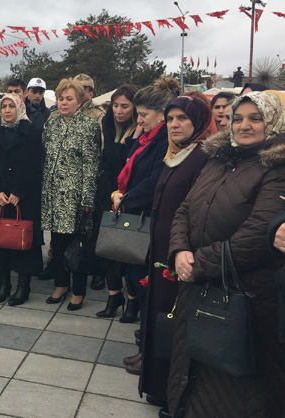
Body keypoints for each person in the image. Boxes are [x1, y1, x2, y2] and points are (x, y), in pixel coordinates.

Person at [167, 91, 285, 418]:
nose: (244, 126)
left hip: (243, 294)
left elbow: (258, 234)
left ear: (272, 122)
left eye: (255, 118)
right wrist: (179, 251)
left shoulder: (276, 167)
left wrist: (197, 264)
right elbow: (184, 209)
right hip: (197, 284)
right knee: (190, 369)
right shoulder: (217, 158)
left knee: (232, 389)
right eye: (238, 118)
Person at [138, 96, 215, 414]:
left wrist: (180, 249)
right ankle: (157, 387)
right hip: (161, 253)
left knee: (174, 323)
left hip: (179, 254)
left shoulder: (202, 156)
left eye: (182, 118)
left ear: (197, 121)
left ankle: (173, 394)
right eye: (170, 119)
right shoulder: (178, 154)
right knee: (159, 318)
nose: (174, 124)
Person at [111, 77, 177, 371]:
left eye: (143, 115)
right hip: (134, 209)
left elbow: (153, 181)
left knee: (147, 283)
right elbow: (129, 164)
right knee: (136, 275)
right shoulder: (145, 137)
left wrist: (126, 199)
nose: (139, 120)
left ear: (161, 114)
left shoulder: (165, 140)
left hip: (147, 217)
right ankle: (146, 344)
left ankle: (149, 350)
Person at [41, 78, 101, 311]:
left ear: (79, 101)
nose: (64, 103)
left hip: (75, 197)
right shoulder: (51, 125)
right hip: (53, 195)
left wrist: (88, 197)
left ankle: (78, 290)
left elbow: (91, 164)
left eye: (69, 99)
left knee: (77, 246)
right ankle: (61, 284)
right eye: (61, 99)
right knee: (56, 242)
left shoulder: (89, 126)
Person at [0, 93, 42, 306]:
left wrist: (19, 192)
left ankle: (23, 286)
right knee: (1, 240)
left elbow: (35, 165)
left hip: (23, 197)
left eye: (11, 107)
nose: (7, 110)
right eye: (4, 107)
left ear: (20, 108)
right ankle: (3, 284)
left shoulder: (33, 133)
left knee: (22, 241)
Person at [92, 85, 139, 313]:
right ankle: (113, 296)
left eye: (124, 106)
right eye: (115, 105)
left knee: (128, 247)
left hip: (130, 192)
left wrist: (136, 135)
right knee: (107, 243)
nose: (118, 111)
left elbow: (131, 161)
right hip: (108, 188)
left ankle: (132, 299)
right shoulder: (107, 123)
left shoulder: (140, 130)